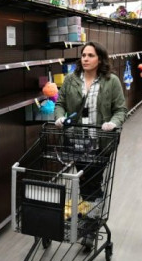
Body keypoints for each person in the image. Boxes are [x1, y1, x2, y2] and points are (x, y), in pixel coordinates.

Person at [50, 41, 126, 201]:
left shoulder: (111, 81)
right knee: (84, 177)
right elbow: (60, 104)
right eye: (83, 55)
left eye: (90, 55)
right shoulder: (71, 79)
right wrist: (60, 117)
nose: (85, 59)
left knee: (94, 178)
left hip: (101, 142)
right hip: (76, 141)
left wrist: (113, 123)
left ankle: (90, 213)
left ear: (100, 59)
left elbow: (120, 110)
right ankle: (90, 212)